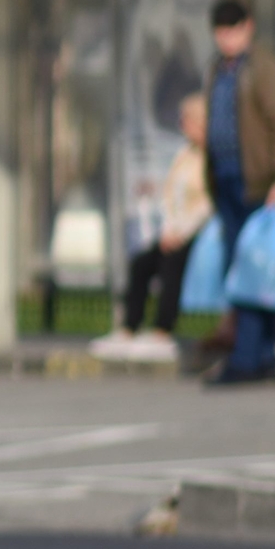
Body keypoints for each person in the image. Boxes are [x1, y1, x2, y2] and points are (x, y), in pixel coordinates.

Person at [204, 0, 275, 382]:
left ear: (248, 27)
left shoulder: (264, 69)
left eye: (233, 30)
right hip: (224, 179)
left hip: (256, 182)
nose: (227, 39)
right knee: (238, 270)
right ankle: (258, 353)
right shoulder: (218, 70)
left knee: (253, 273)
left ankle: (250, 358)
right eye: (221, 32)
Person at [93, 92, 210, 358]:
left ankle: (162, 330)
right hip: (173, 230)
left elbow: (207, 204)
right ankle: (129, 327)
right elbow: (170, 196)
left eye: (187, 120)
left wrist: (181, 232)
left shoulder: (212, 159)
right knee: (142, 263)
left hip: (198, 234)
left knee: (172, 264)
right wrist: (169, 228)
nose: (183, 126)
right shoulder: (185, 154)